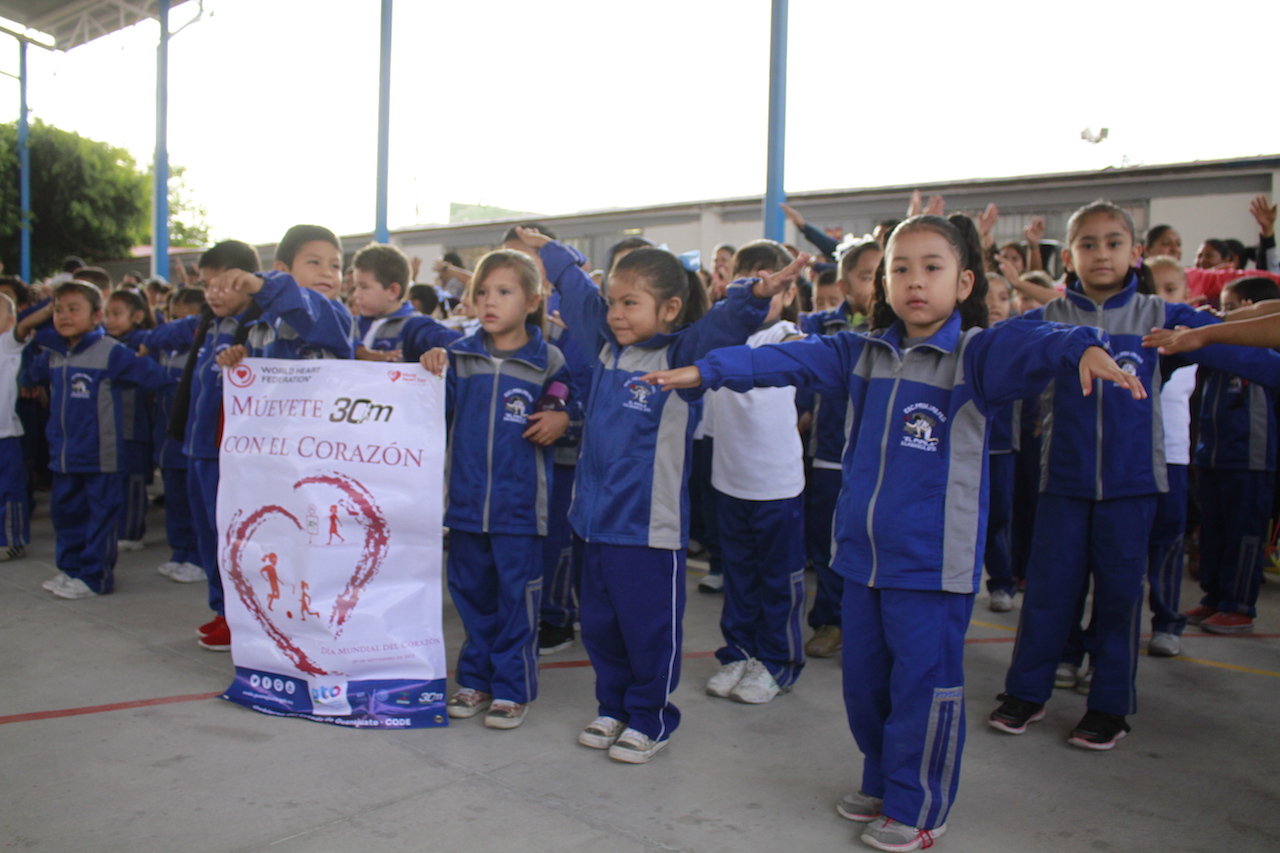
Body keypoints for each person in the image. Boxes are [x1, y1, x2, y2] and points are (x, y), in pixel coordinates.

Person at [644, 213, 1138, 852]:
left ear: (963, 283)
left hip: (933, 564)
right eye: (899, 268)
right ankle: (882, 780)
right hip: (862, 559)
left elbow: (1043, 340)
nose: (913, 281)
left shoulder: (975, 357)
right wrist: (706, 372)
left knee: (922, 688)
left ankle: (919, 804)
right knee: (866, 685)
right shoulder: (862, 353)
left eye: (932, 267)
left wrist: (1083, 347)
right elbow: (786, 359)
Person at [991, 200, 1280, 752]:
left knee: (1121, 598)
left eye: (1113, 242)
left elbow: (1247, 354)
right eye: (1089, 243)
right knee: (1049, 593)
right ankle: (1025, 693)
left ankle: (1109, 707)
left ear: (1136, 252)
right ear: (1069, 257)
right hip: (1062, 484)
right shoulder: (1048, 320)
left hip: (1133, 487)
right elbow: (985, 356)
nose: (1102, 253)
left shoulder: (1162, 316)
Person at [523, 225, 796, 764]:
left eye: (631, 303)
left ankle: (650, 716)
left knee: (648, 630)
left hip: (649, 528)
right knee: (600, 626)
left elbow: (722, 325)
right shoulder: (604, 351)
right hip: (592, 523)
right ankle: (613, 706)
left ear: (670, 308)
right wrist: (549, 251)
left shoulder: (681, 356)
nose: (616, 313)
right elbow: (577, 294)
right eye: (613, 302)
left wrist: (754, 295)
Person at [150, 238, 352, 650]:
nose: (328, 271)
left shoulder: (331, 314)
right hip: (253, 456)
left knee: (292, 544)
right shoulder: (259, 328)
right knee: (233, 538)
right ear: (281, 267)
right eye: (314, 262)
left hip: (306, 461)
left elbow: (308, 311)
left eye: (335, 264)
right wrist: (238, 361)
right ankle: (235, 614)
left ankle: (288, 625)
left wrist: (263, 286)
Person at [419, 249, 573, 730]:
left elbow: (575, 407)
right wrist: (429, 368)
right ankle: (475, 679)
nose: (490, 301)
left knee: (516, 601)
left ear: (532, 301)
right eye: (482, 292)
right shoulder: (460, 358)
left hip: (521, 512)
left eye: (503, 292)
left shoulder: (548, 360)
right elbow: (428, 411)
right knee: (472, 597)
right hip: (464, 508)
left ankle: (511, 688)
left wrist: (563, 418)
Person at [703, 240, 808, 705]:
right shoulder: (720, 334)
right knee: (739, 576)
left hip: (777, 487)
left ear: (788, 295)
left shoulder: (787, 337)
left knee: (776, 579)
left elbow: (783, 363)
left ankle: (778, 662)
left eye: (774, 287)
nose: (764, 297)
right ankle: (739, 654)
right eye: (753, 286)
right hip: (729, 481)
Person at [19, 282, 174, 599]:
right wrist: (38, 330)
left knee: (100, 518)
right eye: (58, 309)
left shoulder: (111, 351)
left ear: (96, 316)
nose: (63, 316)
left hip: (101, 456)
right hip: (63, 454)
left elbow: (157, 378)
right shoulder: (53, 353)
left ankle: (95, 577)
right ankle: (72, 570)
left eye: (74, 309)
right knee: (67, 516)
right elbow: (27, 377)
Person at [1181, 277, 1280, 635]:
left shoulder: (1262, 354)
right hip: (1212, 455)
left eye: (1230, 306)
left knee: (1244, 533)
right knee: (1214, 531)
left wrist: (1211, 329)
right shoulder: (1217, 350)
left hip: (1250, 459)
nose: (1222, 314)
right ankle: (1214, 595)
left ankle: (1239, 605)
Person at [800, 237, 883, 658]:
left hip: (884, 460)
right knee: (830, 540)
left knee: (876, 541)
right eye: (868, 277)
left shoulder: (904, 329)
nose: (882, 282)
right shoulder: (824, 327)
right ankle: (830, 620)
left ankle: (871, 626)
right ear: (847, 287)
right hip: (832, 454)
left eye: (889, 270)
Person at [1143, 258, 1196, 657]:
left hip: (1174, 457)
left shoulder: (1197, 348)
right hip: (1131, 456)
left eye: (1172, 290)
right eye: (1153, 290)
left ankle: (1166, 620)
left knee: (1168, 540)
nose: (1162, 300)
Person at [147, 287, 206, 584]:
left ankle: (198, 557)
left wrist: (192, 325)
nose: (172, 323)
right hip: (169, 440)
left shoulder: (205, 347)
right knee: (175, 500)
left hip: (194, 441)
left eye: (177, 314)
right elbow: (152, 337)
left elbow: (191, 330)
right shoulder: (169, 348)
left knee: (195, 502)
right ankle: (180, 552)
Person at [103, 288, 157, 553]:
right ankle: (115, 527)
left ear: (137, 316)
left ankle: (131, 532)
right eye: (105, 314)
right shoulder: (101, 343)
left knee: (133, 481)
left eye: (116, 314)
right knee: (113, 481)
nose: (109, 320)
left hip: (134, 424)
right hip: (109, 427)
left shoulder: (143, 342)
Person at [348, 242, 461, 363]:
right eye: (356, 287)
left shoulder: (414, 326)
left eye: (364, 287)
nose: (356, 295)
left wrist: (439, 353)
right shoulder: (350, 325)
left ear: (393, 291)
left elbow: (458, 345)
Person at [0, 292, 29, 562]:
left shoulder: (7, 343)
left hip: (5, 434)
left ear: (10, 321)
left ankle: (12, 539)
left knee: (8, 490)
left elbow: (26, 327)